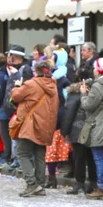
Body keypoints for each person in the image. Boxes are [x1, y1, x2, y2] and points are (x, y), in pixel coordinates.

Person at [11, 60, 59, 197]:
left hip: (30, 125)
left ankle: (31, 184)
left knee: (22, 153)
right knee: (39, 156)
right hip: (45, 126)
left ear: (36, 71)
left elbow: (15, 95)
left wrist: (17, 86)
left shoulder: (31, 84)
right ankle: (40, 186)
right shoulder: (53, 86)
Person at [80, 58, 103, 200]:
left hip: (99, 125)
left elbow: (88, 105)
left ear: (99, 70)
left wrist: (83, 94)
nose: (94, 70)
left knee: (99, 157)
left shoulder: (98, 85)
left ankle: (102, 187)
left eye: (95, 68)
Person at [62, 74, 97, 195]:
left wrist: (65, 131)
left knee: (79, 158)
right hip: (92, 128)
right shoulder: (94, 93)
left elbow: (69, 114)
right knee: (92, 157)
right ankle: (93, 183)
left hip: (77, 129)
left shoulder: (73, 95)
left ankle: (79, 184)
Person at [45, 48, 72, 188]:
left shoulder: (61, 77)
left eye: (54, 57)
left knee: (52, 147)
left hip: (58, 116)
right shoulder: (58, 75)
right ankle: (52, 176)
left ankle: (52, 177)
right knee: (53, 147)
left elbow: (66, 98)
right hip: (58, 115)